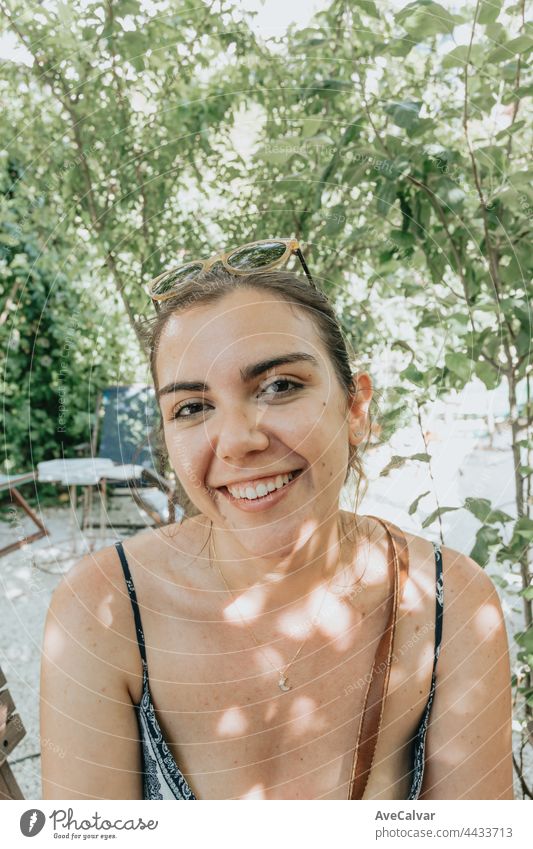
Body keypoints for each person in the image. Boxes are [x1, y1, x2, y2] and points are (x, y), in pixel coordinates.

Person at [40, 240, 513, 800]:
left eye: (280, 386)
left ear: (356, 409)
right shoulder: (103, 611)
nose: (239, 441)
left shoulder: (448, 603)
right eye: (192, 407)